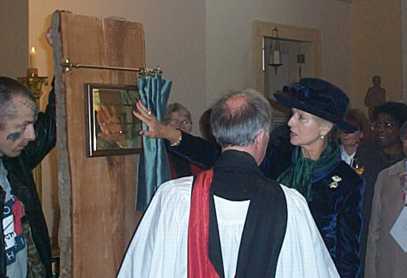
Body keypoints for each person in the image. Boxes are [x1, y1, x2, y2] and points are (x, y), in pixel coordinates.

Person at [120, 89, 339, 278]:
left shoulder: (173, 198)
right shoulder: (291, 204)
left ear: (216, 133)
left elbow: (143, 268)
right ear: (262, 136)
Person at [0, 77, 55, 277]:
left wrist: (62, 52)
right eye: (23, 126)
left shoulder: (14, 161)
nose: (31, 135)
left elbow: (51, 126)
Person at [356, 101, 407, 276]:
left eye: (387, 125)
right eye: (377, 125)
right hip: (368, 229)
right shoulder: (367, 155)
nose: (380, 130)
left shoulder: (401, 166)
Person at [163, 103, 204, 178]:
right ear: (166, 125)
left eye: (185, 122)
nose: (181, 126)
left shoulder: (199, 148)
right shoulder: (161, 152)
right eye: (175, 122)